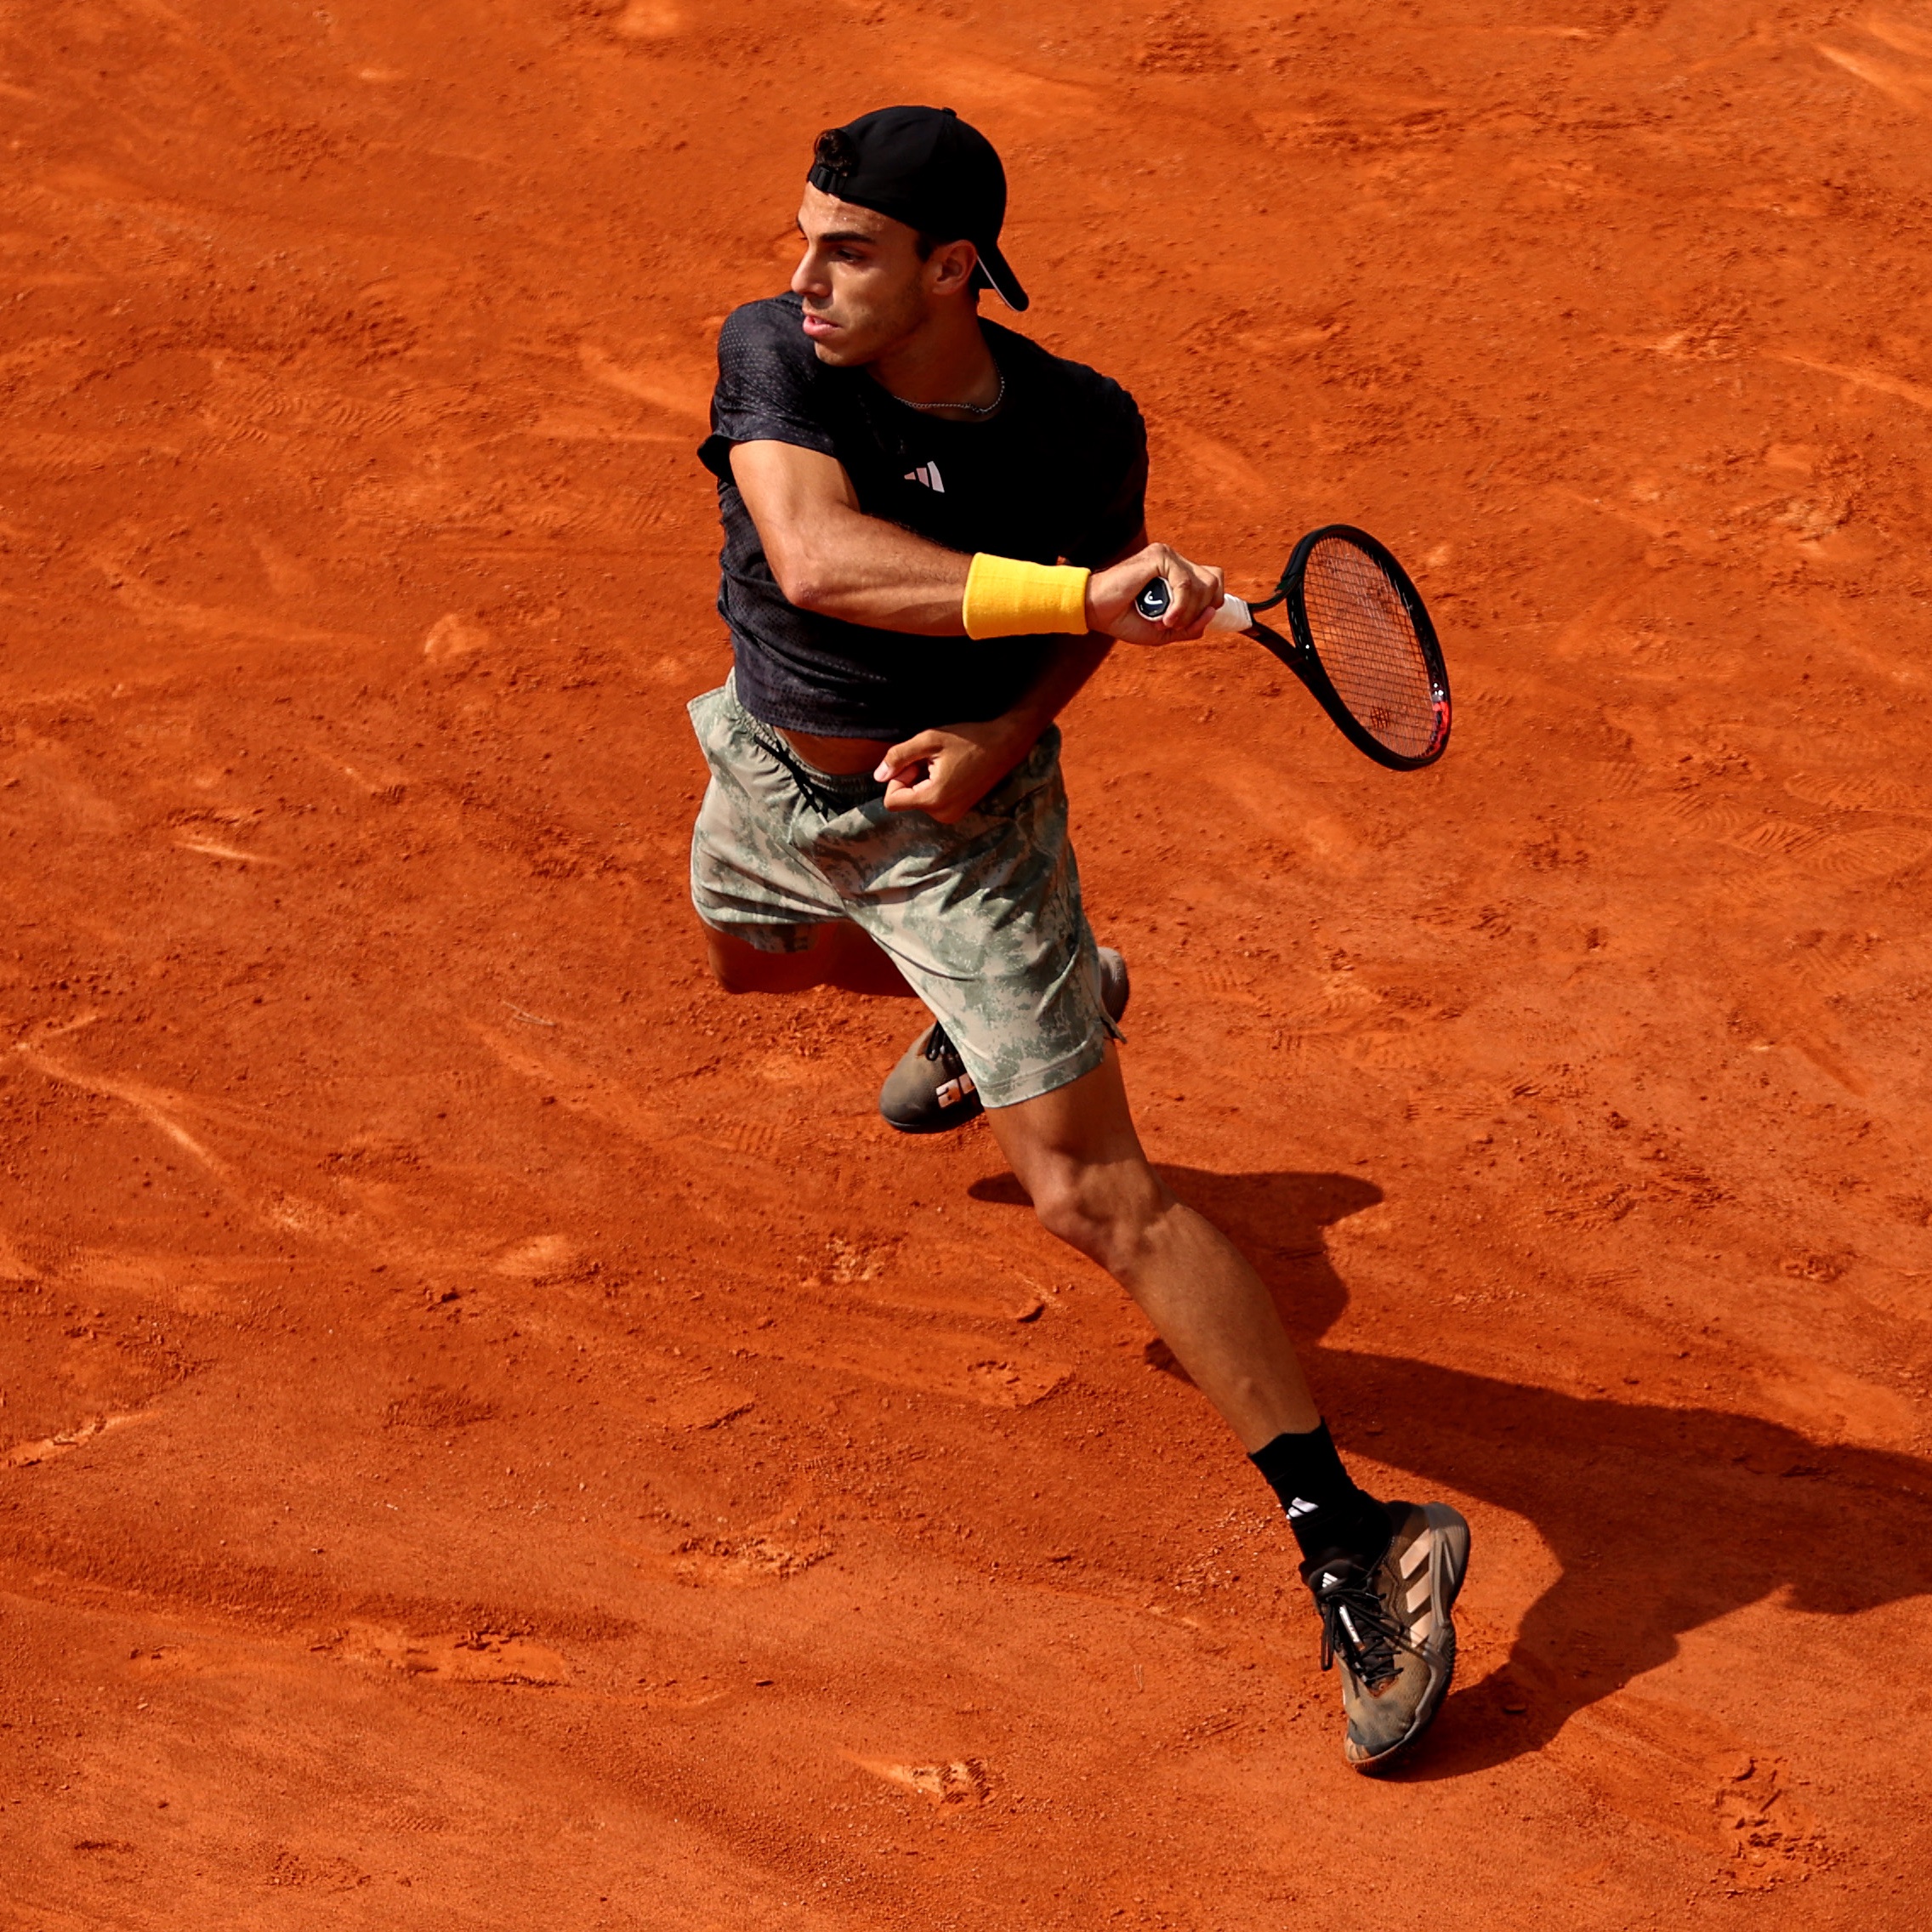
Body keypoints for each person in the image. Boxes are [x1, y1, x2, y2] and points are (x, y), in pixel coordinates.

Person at [687, 103, 1469, 1772]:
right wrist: (1080, 595)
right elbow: (818, 561)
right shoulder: (775, 354)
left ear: (949, 269)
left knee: (1089, 1190)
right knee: (749, 953)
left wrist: (997, 733)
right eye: (803, 237)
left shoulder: (1075, 428)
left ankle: (1354, 1532)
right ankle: (1001, 1021)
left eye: (847, 250)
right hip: (771, 766)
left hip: (966, 831)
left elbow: (1093, 622)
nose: (802, 276)